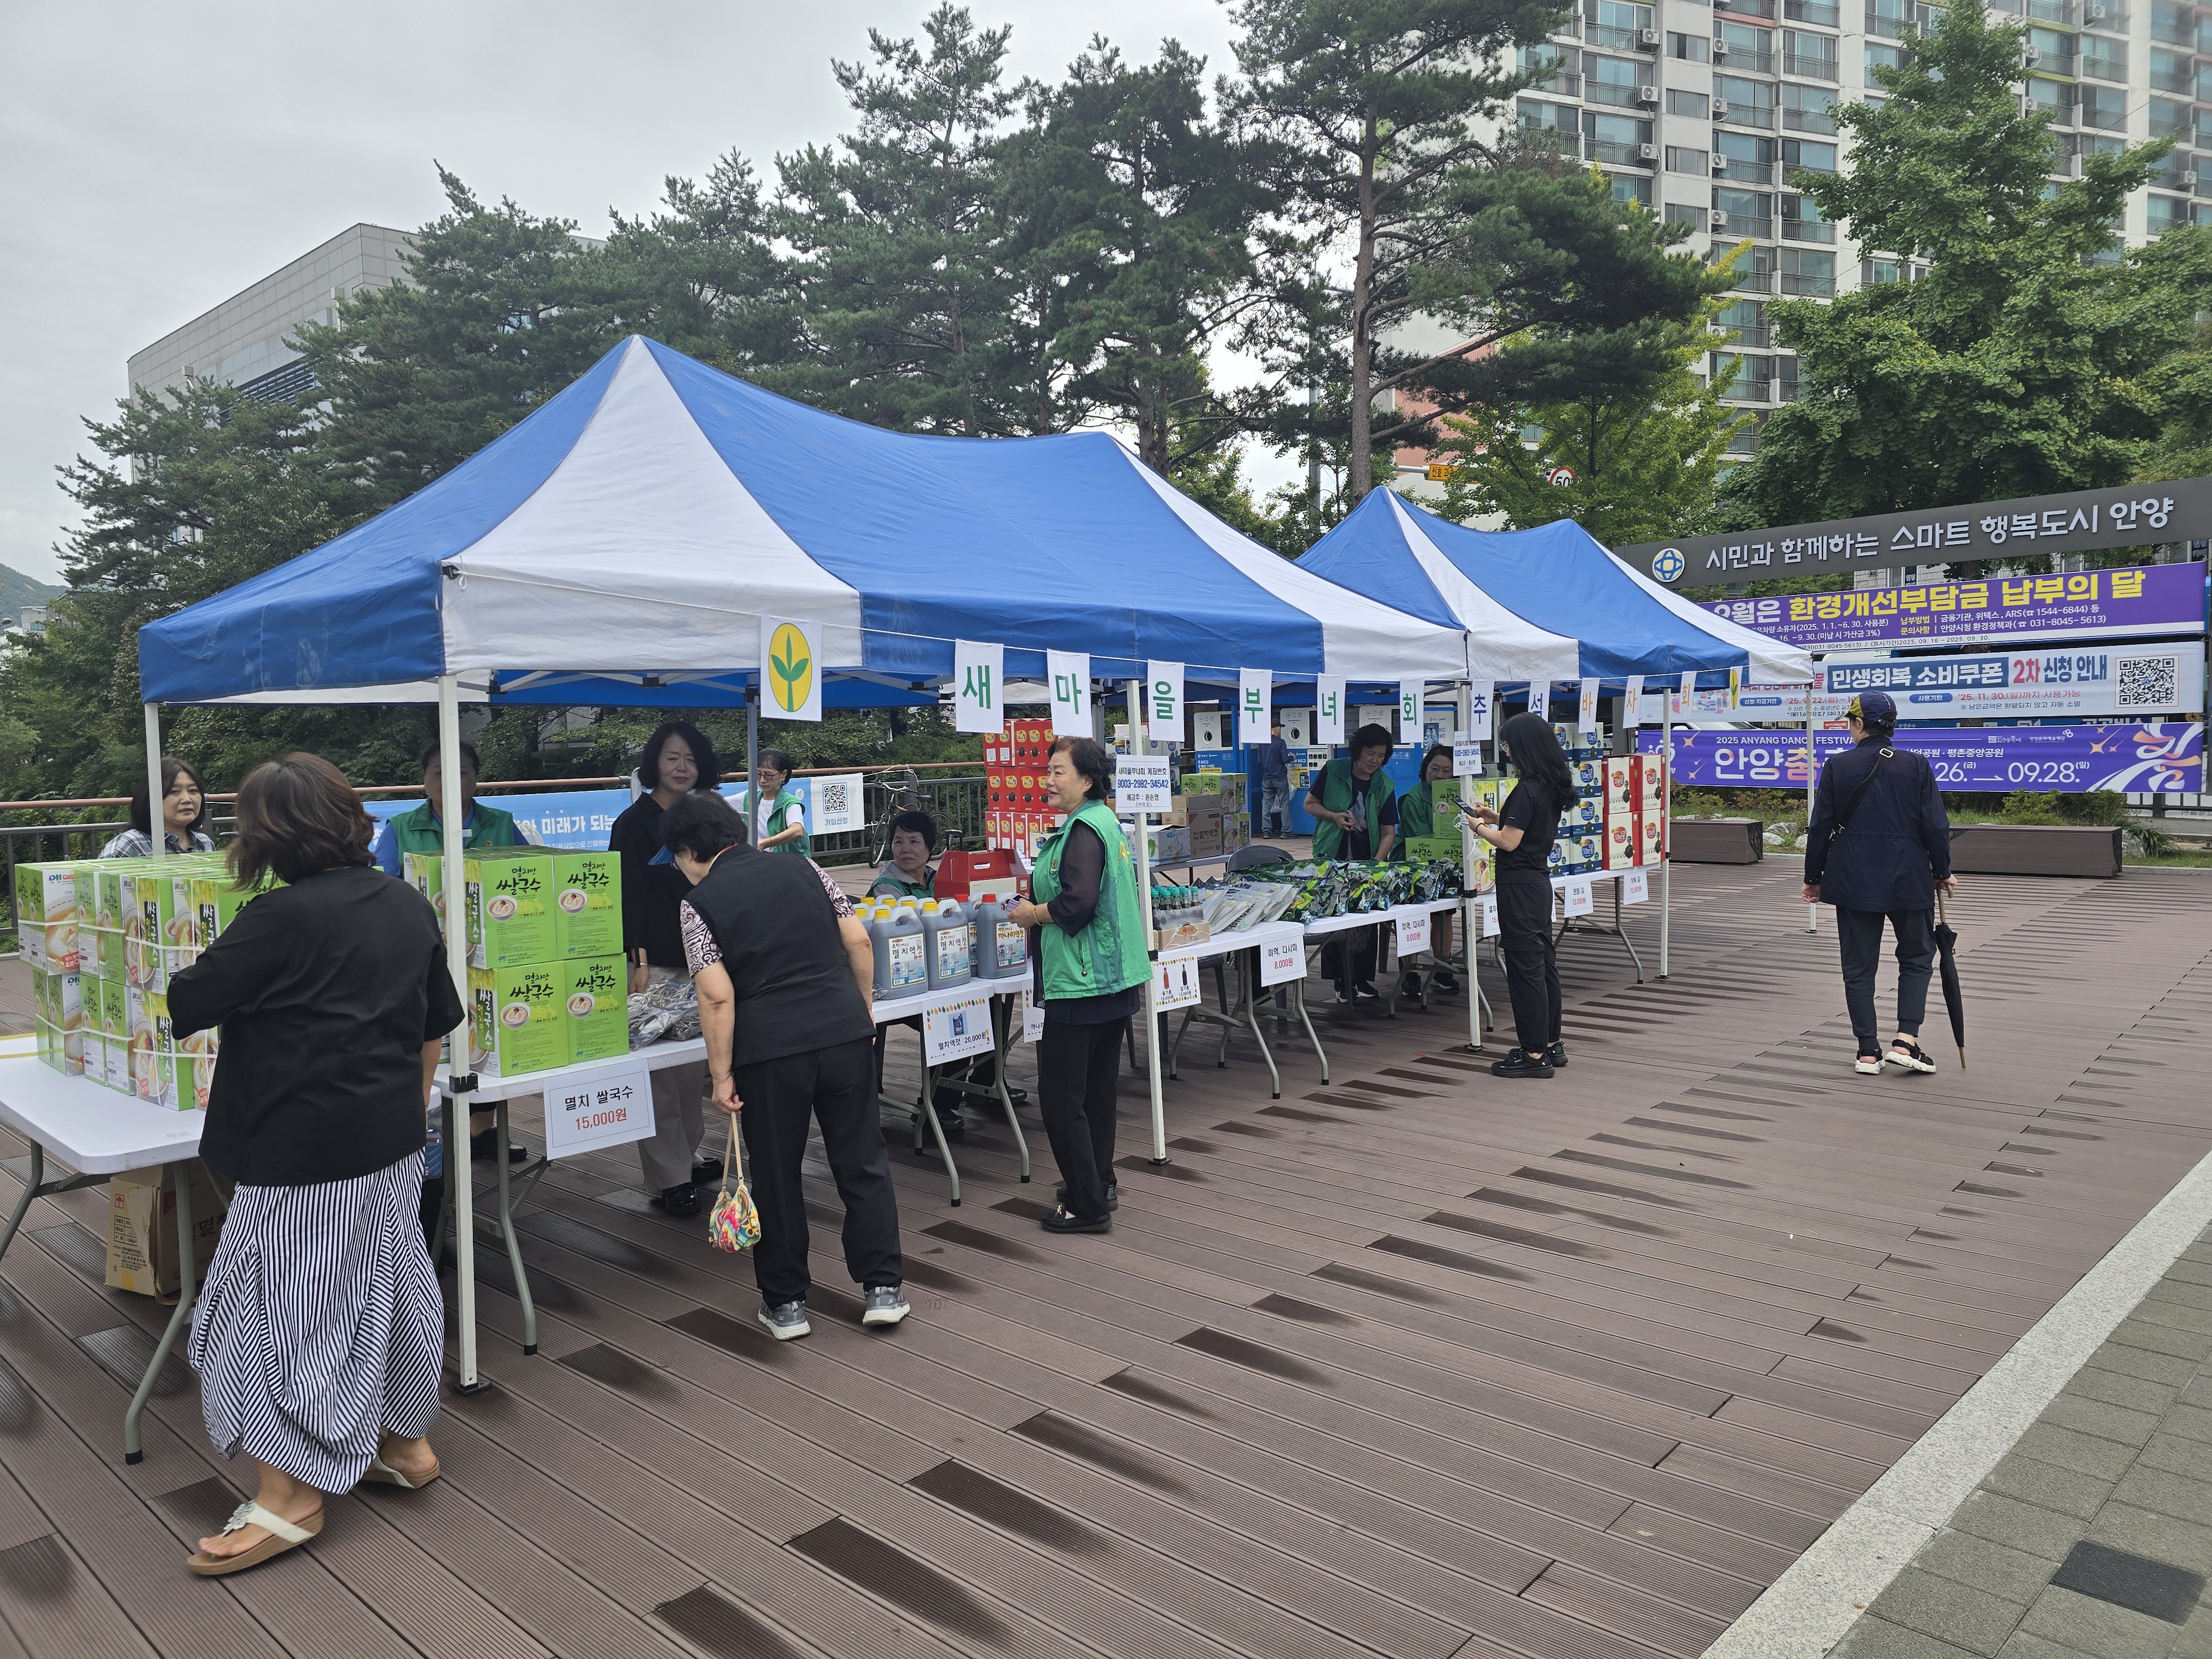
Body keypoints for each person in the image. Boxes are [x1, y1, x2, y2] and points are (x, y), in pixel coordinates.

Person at [168, 753, 457, 1577]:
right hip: (392, 1138)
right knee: (390, 1286)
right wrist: (406, 1103)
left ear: (267, 837)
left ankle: (292, 1495)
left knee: (269, 1316)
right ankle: (405, 1444)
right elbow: (434, 1023)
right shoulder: (405, 903)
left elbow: (189, 1003)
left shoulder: (277, 918)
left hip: (301, 1152)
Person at [668, 791, 909, 1339]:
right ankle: (883, 1288)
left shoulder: (698, 904)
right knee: (862, 1160)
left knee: (776, 1175)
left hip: (770, 1053)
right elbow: (857, 941)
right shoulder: (806, 868)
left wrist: (721, 1073)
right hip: (844, 1032)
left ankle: (786, 1304)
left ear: (687, 851)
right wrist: (863, 1008)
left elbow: (717, 998)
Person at [1002, 735, 1148, 1233]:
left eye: (1058, 771)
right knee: (1097, 1091)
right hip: (1114, 975)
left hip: (1081, 980)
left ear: (1087, 779)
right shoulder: (1105, 821)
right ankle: (1098, 1182)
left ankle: (1087, 1206)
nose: (1048, 779)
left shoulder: (1084, 828)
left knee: (1062, 1098)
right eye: (1048, 770)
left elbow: (1077, 903)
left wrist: (1031, 914)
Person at [1802, 689, 1958, 1076]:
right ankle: (1906, 1040)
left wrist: (1813, 878)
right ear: (1892, 727)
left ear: (1858, 724)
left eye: (1850, 723)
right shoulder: (1917, 766)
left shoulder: (1839, 767)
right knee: (1918, 957)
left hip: (1853, 878)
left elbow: (1820, 827)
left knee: (1858, 966)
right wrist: (1942, 870)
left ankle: (1867, 1052)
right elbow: (1936, 826)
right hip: (1910, 877)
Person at [608, 721, 721, 1215]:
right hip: (653, 964)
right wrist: (637, 960)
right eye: (673, 758)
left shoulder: (706, 818)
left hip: (702, 961)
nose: (682, 768)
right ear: (655, 761)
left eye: (691, 760)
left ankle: (686, 1155)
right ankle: (669, 1177)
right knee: (657, 1078)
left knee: (692, 1072)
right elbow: (624, 899)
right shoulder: (631, 824)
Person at [1466, 712, 1569, 1079]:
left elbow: (1510, 841)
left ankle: (1533, 1053)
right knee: (1544, 965)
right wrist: (1494, 816)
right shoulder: (1546, 785)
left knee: (1525, 970)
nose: (1507, 752)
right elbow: (1523, 827)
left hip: (1519, 888)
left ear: (1523, 747)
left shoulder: (1527, 788)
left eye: (1508, 745)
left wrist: (1478, 826)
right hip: (1538, 884)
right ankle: (1551, 1043)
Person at [1303, 722, 1400, 1003]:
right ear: (1358, 750)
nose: (1375, 761)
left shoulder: (1385, 784)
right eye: (1370, 753)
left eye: (1381, 755)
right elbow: (1309, 804)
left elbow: (1388, 832)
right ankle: (1341, 979)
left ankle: (1361, 978)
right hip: (1331, 855)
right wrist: (1333, 816)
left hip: (1367, 859)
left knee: (1367, 918)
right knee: (1334, 916)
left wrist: (1375, 864)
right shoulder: (1334, 770)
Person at [372, 742, 525, 877]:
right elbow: (381, 888)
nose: (450, 781)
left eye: (461, 773)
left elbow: (531, 872)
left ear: (476, 778)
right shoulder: (399, 829)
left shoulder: (502, 824)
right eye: (440, 773)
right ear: (425, 780)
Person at [1394, 743, 1460, 998]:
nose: (1440, 776)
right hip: (1412, 863)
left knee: (1445, 915)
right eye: (1435, 769)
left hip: (1446, 863)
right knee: (1413, 916)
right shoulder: (1412, 798)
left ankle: (1443, 967)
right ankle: (1409, 972)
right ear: (1425, 769)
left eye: (1447, 771)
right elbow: (1420, 838)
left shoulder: (1458, 795)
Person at [100, 755, 215, 857]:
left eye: (193, 791)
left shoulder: (205, 844)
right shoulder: (130, 846)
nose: (187, 799)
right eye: (174, 791)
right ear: (151, 797)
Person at [749, 749, 810, 855]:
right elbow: (718, 803)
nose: (762, 780)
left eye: (768, 775)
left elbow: (797, 830)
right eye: (758, 774)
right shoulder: (749, 797)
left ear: (783, 775)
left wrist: (767, 843)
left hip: (790, 865)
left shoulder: (791, 804)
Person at [869, 809, 938, 900]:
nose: (905, 850)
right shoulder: (886, 889)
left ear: (931, 847)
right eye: (898, 842)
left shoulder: (936, 880)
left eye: (914, 842)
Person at [1260, 716, 1292, 838]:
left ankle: (1267, 832)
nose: (1280, 729)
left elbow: (1259, 760)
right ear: (1275, 728)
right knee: (1284, 804)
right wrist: (1292, 758)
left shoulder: (1262, 743)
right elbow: (1285, 759)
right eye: (1279, 727)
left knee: (1266, 805)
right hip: (1280, 778)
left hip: (1267, 778)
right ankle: (1286, 832)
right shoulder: (1281, 742)